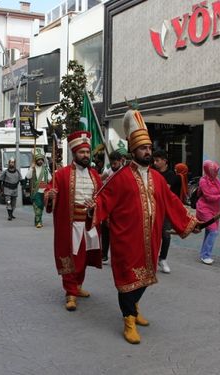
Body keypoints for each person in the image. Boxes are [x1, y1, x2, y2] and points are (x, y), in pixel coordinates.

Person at [87, 109, 200, 345]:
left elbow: (172, 204)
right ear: (132, 150)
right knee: (128, 280)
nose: (147, 152)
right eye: (142, 148)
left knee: (147, 277)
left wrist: (190, 223)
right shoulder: (120, 177)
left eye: (149, 148)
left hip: (152, 238)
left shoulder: (158, 178)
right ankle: (128, 318)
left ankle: (134, 308)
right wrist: (92, 208)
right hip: (126, 240)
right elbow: (103, 200)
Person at [44, 130, 103, 312]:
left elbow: (102, 196)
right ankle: (70, 292)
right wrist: (50, 196)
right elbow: (48, 193)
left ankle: (77, 285)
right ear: (74, 153)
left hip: (89, 223)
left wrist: (97, 204)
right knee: (70, 258)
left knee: (84, 258)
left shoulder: (95, 175)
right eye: (82, 152)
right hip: (70, 225)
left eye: (87, 152)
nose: (85, 155)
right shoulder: (61, 174)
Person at [152, 150, 181, 274]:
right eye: (154, 160)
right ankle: (151, 260)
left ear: (164, 161)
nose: (155, 163)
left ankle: (162, 259)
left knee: (166, 235)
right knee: (151, 235)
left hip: (165, 210)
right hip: (152, 207)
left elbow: (163, 190)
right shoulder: (151, 172)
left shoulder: (171, 175)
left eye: (158, 160)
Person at [197, 160, 220, 265]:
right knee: (213, 231)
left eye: (217, 171)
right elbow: (208, 197)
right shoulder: (203, 181)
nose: (216, 173)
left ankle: (204, 253)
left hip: (215, 210)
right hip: (204, 209)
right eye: (214, 171)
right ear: (208, 170)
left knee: (209, 231)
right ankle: (205, 255)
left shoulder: (216, 180)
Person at [99, 148, 126, 264]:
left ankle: (119, 256)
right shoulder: (110, 170)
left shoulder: (125, 172)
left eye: (115, 163)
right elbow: (101, 178)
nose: (113, 165)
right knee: (104, 230)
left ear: (121, 161)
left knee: (118, 233)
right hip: (108, 204)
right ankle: (104, 254)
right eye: (112, 163)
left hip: (120, 206)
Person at [26, 149, 51, 228]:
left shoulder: (46, 169)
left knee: (41, 207)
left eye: (41, 160)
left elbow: (50, 179)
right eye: (38, 160)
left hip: (44, 191)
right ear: (36, 160)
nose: (40, 161)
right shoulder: (33, 168)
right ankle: (38, 222)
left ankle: (38, 220)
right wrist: (31, 168)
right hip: (36, 191)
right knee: (37, 206)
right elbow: (28, 176)